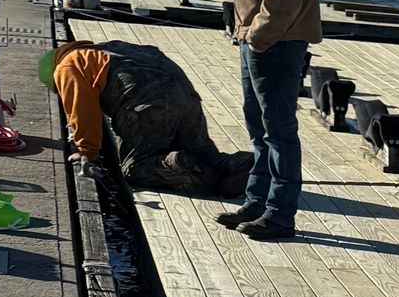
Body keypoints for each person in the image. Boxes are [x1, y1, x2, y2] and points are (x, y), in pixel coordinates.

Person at [198, 0, 321, 242]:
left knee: (279, 130)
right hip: (256, 39)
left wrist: (258, 38)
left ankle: (280, 214)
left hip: (276, 42)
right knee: (258, 127)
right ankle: (257, 201)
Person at [39, 42, 250, 195]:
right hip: (185, 94)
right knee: (204, 151)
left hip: (147, 103)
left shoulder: (66, 67)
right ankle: (236, 163)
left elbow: (82, 111)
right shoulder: (106, 49)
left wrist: (87, 152)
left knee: (135, 169)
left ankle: (178, 164)